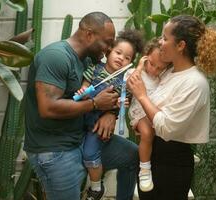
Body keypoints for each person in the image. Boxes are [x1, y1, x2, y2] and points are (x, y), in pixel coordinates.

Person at [23, 12, 139, 200]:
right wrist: (94, 104)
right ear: (89, 35)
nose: (110, 48)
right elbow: (48, 108)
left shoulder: (87, 59)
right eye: (108, 42)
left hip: (81, 138)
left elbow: (113, 86)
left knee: (132, 155)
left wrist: (111, 114)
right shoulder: (56, 57)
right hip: (55, 151)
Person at [127, 15, 216, 199]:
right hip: (153, 156)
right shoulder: (168, 72)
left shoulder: (195, 82)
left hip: (171, 165)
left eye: (165, 38)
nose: (160, 42)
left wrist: (141, 96)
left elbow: (167, 128)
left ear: (180, 46)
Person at [77, 29, 143, 200]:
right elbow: (85, 86)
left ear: (130, 63)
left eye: (127, 57)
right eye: (118, 52)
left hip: (96, 126)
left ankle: (96, 187)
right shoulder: (94, 69)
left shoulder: (124, 82)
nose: (121, 58)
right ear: (108, 52)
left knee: (90, 153)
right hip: (81, 117)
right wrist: (84, 91)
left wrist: (119, 105)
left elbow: (122, 103)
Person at [128, 38, 170, 192]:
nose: (154, 70)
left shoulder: (163, 77)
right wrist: (139, 67)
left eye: (160, 68)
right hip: (140, 113)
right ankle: (144, 169)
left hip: (155, 113)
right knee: (146, 133)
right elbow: (130, 83)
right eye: (151, 64)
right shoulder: (135, 72)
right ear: (145, 57)